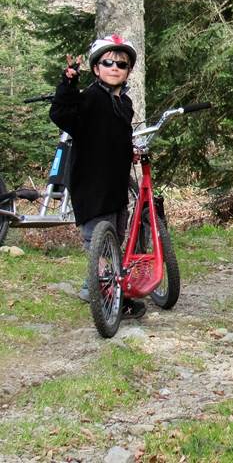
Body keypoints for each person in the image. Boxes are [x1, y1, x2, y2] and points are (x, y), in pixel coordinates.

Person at [49, 34, 145, 319]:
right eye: (108, 62)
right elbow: (61, 113)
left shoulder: (124, 104)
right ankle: (110, 296)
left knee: (115, 235)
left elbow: (117, 138)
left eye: (121, 64)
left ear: (128, 71)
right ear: (96, 68)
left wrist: (131, 152)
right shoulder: (89, 99)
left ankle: (92, 284)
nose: (114, 67)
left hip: (115, 186)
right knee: (97, 240)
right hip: (90, 185)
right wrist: (68, 83)